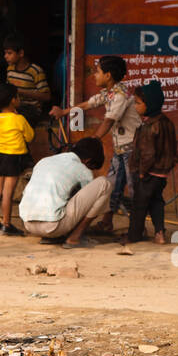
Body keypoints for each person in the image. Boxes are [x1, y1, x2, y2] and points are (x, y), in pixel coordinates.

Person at [50, 55, 140, 235]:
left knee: (134, 188)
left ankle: (138, 228)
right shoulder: (110, 93)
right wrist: (64, 112)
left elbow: (108, 122)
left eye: (97, 72)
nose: (94, 76)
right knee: (113, 185)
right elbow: (89, 104)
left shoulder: (120, 95)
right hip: (120, 149)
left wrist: (92, 142)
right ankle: (107, 222)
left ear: (108, 75)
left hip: (132, 150)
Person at [18, 137, 110, 248]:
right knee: (104, 183)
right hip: (53, 227)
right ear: (88, 161)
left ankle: (52, 237)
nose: (90, 170)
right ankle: (74, 238)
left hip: (28, 224)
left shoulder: (44, 161)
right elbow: (86, 205)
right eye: (91, 167)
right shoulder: (83, 169)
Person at [127, 80, 178, 245]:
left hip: (149, 172)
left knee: (139, 206)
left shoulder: (150, 127)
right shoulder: (167, 122)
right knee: (156, 202)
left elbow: (148, 153)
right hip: (162, 173)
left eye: (138, 103)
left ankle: (133, 237)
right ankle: (159, 234)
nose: (135, 106)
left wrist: (142, 172)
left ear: (149, 104)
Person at [0, 83, 34, 236]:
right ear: (14, 100)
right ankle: (6, 224)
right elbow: (30, 137)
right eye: (18, 97)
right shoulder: (19, 119)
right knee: (8, 194)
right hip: (14, 158)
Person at [2, 34, 50, 128]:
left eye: (9, 53)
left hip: (31, 110)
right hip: (14, 107)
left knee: (15, 121)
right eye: (5, 53)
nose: (5, 56)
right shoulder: (10, 69)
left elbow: (47, 96)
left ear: (21, 53)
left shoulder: (35, 71)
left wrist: (21, 92)